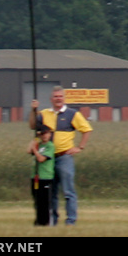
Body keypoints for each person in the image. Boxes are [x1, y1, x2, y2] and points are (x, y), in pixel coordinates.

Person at [28, 86, 92, 226]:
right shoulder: (44, 114)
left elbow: (86, 130)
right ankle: (53, 220)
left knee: (68, 190)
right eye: (55, 97)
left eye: (60, 96)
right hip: (48, 157)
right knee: (51, 191)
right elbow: (33, 125)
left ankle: (71, 220)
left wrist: (80, 147)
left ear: (64, 98)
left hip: (65, 157)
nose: (58, 99)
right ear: (51, 99)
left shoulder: (72, 114)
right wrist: (33, 110)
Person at [28, 125, 55, 226]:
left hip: (45, 177)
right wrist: (33, 142)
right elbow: (28, 151)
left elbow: (41, 159)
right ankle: (38, 220)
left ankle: (46, 221)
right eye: (42, 134)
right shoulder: (39, 145)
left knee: (45, 201)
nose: (45, 136)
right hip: (36, 177)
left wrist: (35, 150)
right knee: (37, 200)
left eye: (47, 134)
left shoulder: (50, 146)